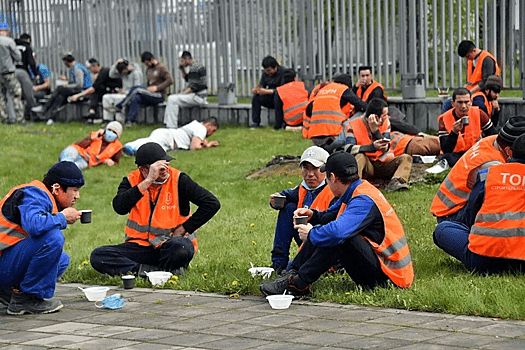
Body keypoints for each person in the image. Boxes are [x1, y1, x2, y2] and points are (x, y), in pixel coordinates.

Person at [260, 152, 414, 296]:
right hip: (384, 267)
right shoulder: (358, 189)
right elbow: (330, 215)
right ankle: (291, 275)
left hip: (391, 279)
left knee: (338, 238)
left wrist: (311, 234)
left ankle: (298, 283)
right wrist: (313, 215)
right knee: (329, 231)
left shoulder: (363, 200)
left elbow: (337, 232)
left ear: (332, 177)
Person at [89, 142, 221, 277]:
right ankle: (149, 271)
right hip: (140, 247)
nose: (165, 169)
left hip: (170, 244)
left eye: (166, 164)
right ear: (144, 170)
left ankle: (156, 270)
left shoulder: (179, 180)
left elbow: (212, 203)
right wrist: (148, 181)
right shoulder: (132, 180)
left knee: (181, 248)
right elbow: (119, 207)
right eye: (158, 167)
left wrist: (183, 229)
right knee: (98, 256)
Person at [433, 134, 525, 275]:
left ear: (510, 152)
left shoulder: (487, 174)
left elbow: (473, 211)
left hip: (483, 259)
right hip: (522, 260)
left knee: (443, 229)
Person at [0, 161, 85, 315]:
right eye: (75, 190)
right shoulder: (35, 194)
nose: (77, 196)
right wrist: (62, 217)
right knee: (53, 238)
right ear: (57, 188)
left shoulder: (40, 194)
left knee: (61, 260)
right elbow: (34, 225)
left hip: (5, 260)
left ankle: (11, 293)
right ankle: (24, 301)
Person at [430, 116, 525, 223]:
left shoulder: (491, 141)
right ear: (509, 151)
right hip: (452, 215)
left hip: (449, 207)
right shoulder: (493, 165)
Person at [269, 146, 334, 274]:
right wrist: (275, 200)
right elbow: (287, 194)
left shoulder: (334, 190)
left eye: (315, 169)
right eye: (306, 168)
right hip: (306, 240)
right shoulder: (302, 188)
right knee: (288, 208)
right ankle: (278, 264)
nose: (310, 174)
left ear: (326, 170)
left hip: (326, 244)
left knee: (293, 268)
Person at [343, 98, 412, 192]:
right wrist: (371, 148)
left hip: (384, 163)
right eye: (385, 115)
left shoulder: (386, 122)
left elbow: (386, 147)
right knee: (359, 156)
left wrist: (376, 131)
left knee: (406, 158)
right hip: (367, 166)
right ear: (375, 117)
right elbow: (348, 149)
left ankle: (396, 182)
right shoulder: (353, 124)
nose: (387, 117)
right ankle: (354, 185)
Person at [427, 87, 497, 174]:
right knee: (447, 157)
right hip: (455, 154)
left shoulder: (479, 113)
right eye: (460, 102)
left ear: (471, 102)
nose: (463, 106)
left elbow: (494, 135)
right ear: (453, 103)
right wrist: (454, 133)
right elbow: (446, 149)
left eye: (466, 102)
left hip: (474, 152)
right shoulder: (444, 119)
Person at [302, 73, 367, 148]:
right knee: (361, 113)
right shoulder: (343, 89)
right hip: (333, 140)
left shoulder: (323, 90)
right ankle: (351, 149)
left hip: (315, 141)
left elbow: (308, 110)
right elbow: (361, 105)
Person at [32, 53, 93, 125]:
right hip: (79, 89)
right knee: (60, 97)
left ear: (67, 62)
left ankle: (45, 108)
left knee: (59, 88)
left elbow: (79, 85)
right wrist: (67, 81)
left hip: (83, 91)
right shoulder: (75, 67)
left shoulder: (77, 69)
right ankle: (51, 118)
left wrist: (66, 86)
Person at [115, 51, 173, 125]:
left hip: (158, 94)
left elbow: (170, 80)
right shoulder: (148, 70)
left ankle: (121, 105)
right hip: (149, 93)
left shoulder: (161, 67)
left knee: (136, 89)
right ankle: (131, 121)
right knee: (136, 97)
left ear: (151, 60)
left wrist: (157, 88)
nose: (146, 65)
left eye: (147, 63)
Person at [442, 40, 500, 113]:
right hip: (471, 92)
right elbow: (471, 81)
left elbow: (486, 82)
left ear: (474, 50)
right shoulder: (472, 60)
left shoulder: (487, 60)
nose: (467, 58)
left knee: (478, 106)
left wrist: (469, 92)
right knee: (447, 104)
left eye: (468, 56)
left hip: (482, 93)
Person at [122, 117, 220, 156]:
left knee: (155, 151)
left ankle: (134, 150)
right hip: (168, 138)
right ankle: (130, 147)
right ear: (208, 125)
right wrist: (207, 146)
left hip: (169, 141)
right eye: (213, 130)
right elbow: (194, 147)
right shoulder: (201, 128)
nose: (212, 133)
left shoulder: (195, 125)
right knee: (152, 143)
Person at [69, 58, 122, 124]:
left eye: (90, 68)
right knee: (97, 92)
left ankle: (93, 115)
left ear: (95, 66)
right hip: (109, 91)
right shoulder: (101, 73)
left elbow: (93, 88)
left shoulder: (104, 72)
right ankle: (92, 113)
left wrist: (78, 96)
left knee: (96, 92)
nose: (89, 70)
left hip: (116, 92)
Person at [163, 51, 208, 129]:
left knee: (172, 99)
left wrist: (182, 94)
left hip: (198, 97)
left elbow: (193, 87)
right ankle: (169, 124)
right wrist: (182, 69)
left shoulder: (194, 68)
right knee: (172, 99)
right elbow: (188, 79)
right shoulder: (195, 66)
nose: (181, 62)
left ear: (186, 59)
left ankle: (171, 126)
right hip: (199, 96)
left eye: (182, 60)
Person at [58, 121, 123, 170]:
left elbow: (116, 161)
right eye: (109, 130)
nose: (110, 133)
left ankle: (59, 170)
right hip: (77, 152)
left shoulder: (117, 146)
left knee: (75, 168)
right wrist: (91, 138)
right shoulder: (96, 135)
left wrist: (109, 162)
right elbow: (79, 144)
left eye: (114, 132)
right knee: (67, 160)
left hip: (86, 161)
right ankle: (60, 168)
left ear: (117, 136)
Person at [102, 58, 143, 124]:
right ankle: (107, 119)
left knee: (119, 99)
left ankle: (120, 120)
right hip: (122, 93)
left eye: (123, 72)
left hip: (130, 94)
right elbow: (111, 75)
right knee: (105, 97)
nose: (122, 74)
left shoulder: (136, 73)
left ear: (127, 68)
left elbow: (137, 88)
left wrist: (126, 92)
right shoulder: (122, 72)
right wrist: (116, 64)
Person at [250, 55, 286, 129]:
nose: (267, 72)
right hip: (270, 98)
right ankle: (255, 123)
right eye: (266, 70)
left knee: (277, 96)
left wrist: (267, 91)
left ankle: (278, 125)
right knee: (256, 98)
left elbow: (283, 90)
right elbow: (262, 85)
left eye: (269, 70)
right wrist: (257, 90)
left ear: (275, 67)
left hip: (281, 99)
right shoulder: (265, 74)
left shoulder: (284, 73)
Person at [0, 22, 24, 124]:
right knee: (16, 93)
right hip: (9, 72)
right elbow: (18, 57)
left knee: (1, 96)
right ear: (6, 31)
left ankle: (4, 118)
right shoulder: (9, 41)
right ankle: (19, 118)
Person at [14, 33, 38, 117]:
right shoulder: (27, 47)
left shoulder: (12, 45)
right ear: (28, 39)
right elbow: (31, 62)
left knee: (12, 94)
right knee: (28, 94)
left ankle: (13, 115)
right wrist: (36, 74)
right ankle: (34, 115)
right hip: (22, 71)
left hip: (10, 71)